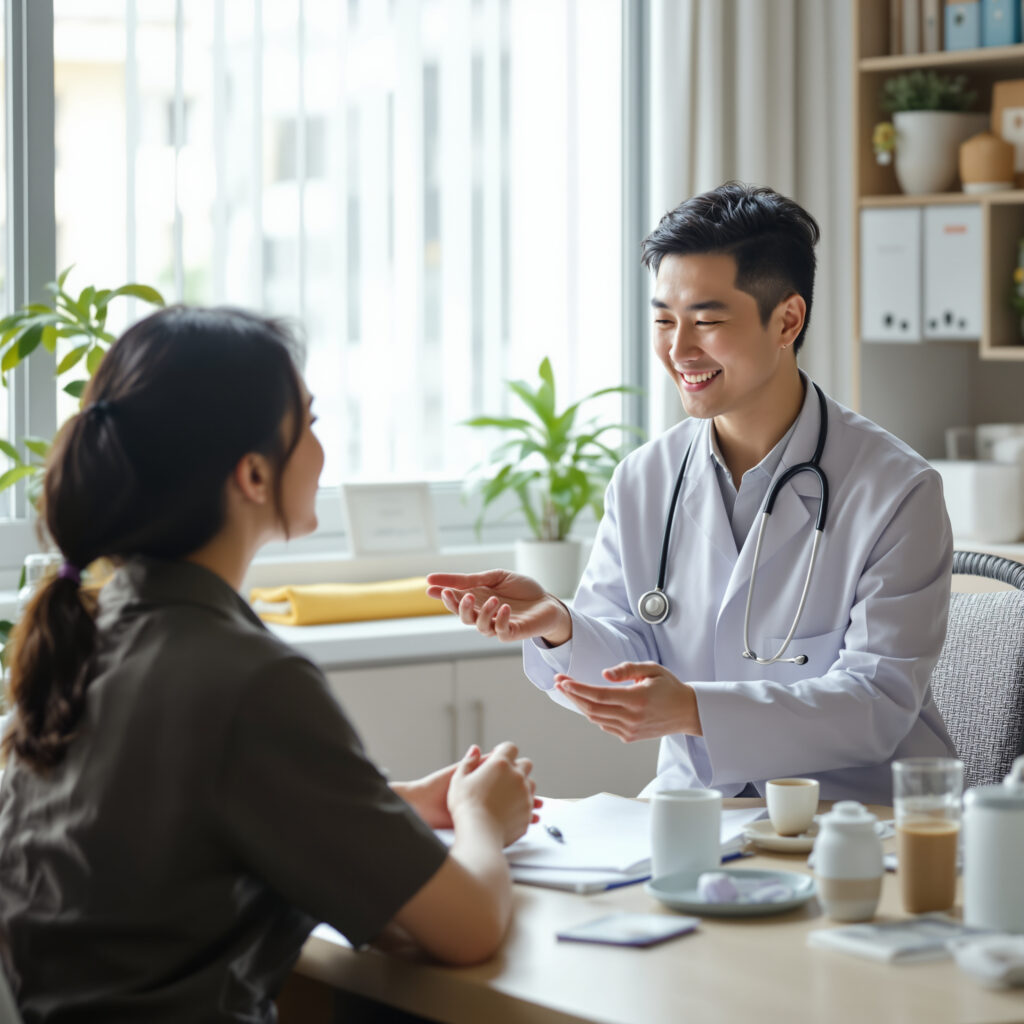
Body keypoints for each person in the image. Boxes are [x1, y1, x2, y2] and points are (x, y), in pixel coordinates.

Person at [0, 306, 539, 1023]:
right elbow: (469, 927)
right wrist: (481, 817)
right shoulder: (245, 679)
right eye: (308, 425)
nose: (321, 449)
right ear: (253, 474)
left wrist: (399, 804)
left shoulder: (87, 643)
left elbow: (179, 822)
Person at [427, 181, 956, 804]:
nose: (679, 350)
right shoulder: (645, 479)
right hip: (699, 811)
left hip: (857, 816)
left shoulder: (897, 490)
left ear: (787, 319)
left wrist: (695, 710)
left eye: (706, 321)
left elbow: (877, 703)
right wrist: (560, 626)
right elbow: (627, 662)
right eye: (663, 321)